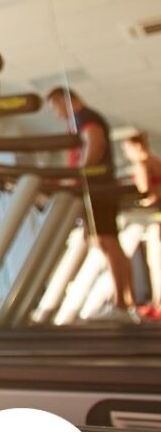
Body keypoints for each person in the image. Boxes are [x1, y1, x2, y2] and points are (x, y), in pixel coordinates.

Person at [46, 86, 137, 321]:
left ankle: (122, 306)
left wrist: (79, 177)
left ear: (66, 100)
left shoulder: (85, 117)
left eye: (56, 106)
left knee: (107, 243)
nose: (56, 113)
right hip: (97, 189)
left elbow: (95, 144)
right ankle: (125, 304)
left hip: (97, 190)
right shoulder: (81, 120)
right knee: (106, 244)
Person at [122, 131, 161, 310]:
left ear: (137, 147)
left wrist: (135, 206)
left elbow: (147, 193)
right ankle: (157, 301)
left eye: (127, 150)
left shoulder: (142, 164)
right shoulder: (156, 161)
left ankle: (157, 302)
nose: (126, 155)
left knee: (155, 260)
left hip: (152, 216)